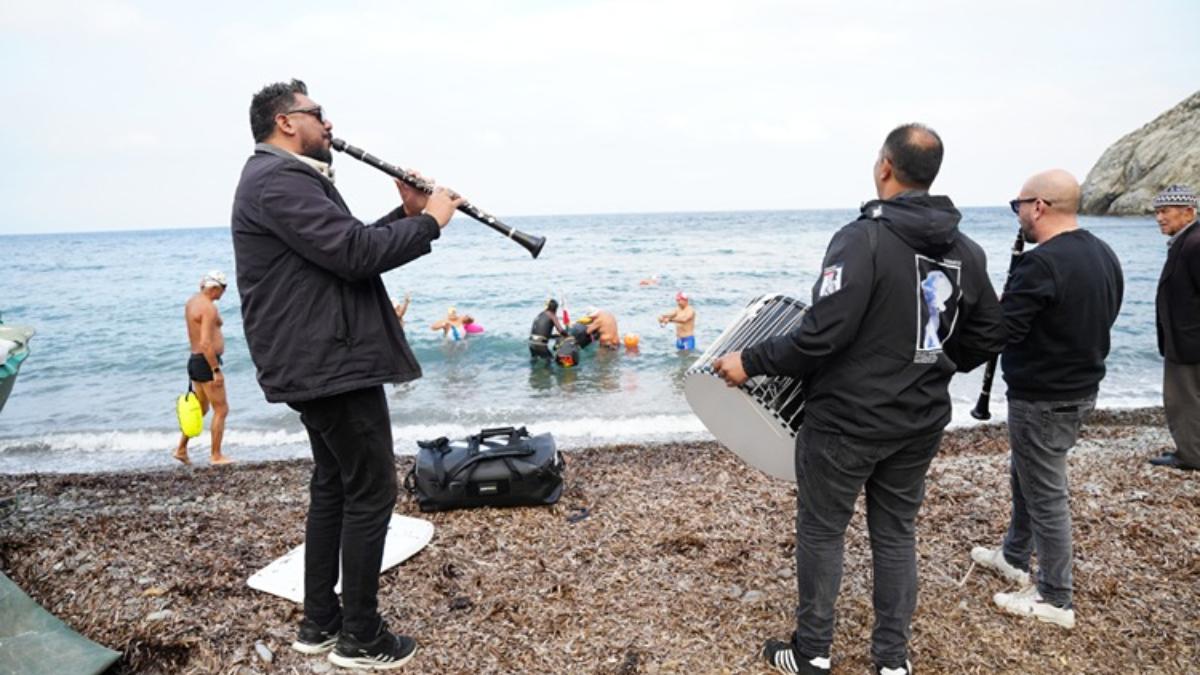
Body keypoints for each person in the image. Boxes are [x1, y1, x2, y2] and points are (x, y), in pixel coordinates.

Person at [711, 124, 1006, 675]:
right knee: (896, 533)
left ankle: (812, 652)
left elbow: (821, 334)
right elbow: (990, 334)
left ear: (886, 167)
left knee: (823, 529)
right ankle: (891, 661)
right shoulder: (967, 250)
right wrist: (935, 362)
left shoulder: (862, 238)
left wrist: (749, 361)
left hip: (846, 421)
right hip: (919, 421)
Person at [232, 79, 462, 670]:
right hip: (329, 361)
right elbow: (356, 255)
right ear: (287, 122)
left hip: (320, 358)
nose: (328, 124)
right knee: (372, 490)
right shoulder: (279, 179)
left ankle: (320, 622)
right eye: (317, 114)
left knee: (334, 485)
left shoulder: (280, 180)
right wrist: (430, 222)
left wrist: (406, 213)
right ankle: (362, 636)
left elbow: (342, 249)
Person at [970, 170, 1123, 631]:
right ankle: (1015, 554)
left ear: (1038, 206)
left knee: (1045, 491)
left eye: (1017, 204)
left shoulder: (1041, 264)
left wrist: (986, 312)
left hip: (1043, 396)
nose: (1016, 213)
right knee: (1028, 472)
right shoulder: (1102, 253)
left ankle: (1055, 595)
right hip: (1080, 389)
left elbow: (1002, 333)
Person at [1148, 185, 1200, 471]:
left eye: (1165, 211)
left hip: (1189, 341)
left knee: (1182, 400)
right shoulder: (1188, 241)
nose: (1159, 217)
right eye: (1157, 211)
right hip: (1188, 338)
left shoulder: (1194, 244)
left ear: (1188, 212)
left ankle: (1191, 456)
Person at [173, 271, 234, 466]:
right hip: (206, 362)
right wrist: (215, 369)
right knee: (221, 409)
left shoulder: (193, 302)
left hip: (195, 360)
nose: (223, 294)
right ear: (215, 288)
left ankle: (181, 449)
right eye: (223, 290)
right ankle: (216, 455)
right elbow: (206, 342)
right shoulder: (208, 308)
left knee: (201, 408)